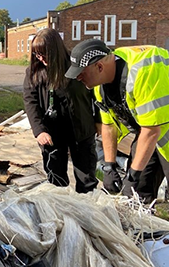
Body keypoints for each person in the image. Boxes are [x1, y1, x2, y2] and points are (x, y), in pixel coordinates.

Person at [65, 39, 169, 234]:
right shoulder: (99, 86)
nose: (78, 78)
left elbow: (152, 131)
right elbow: (108, 125)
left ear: (99, 66)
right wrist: (109, 165)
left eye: (81, 73)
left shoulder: (144, 70)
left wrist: (133, 174)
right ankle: (146, 244)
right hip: (150, 128)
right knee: (134, 195)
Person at [23, 28, 99, 193]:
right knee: (56, 178)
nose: (41, 59)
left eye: (44, 54)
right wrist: (39, 131)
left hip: (81, 130)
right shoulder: (34, 72)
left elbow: (96, 94)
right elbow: (30, 102)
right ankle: (62, 210)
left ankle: (86, 212)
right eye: (37, 55)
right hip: (51, 133)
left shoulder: (78, 65)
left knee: (86, 179)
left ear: (55, 50)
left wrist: (99, 121)